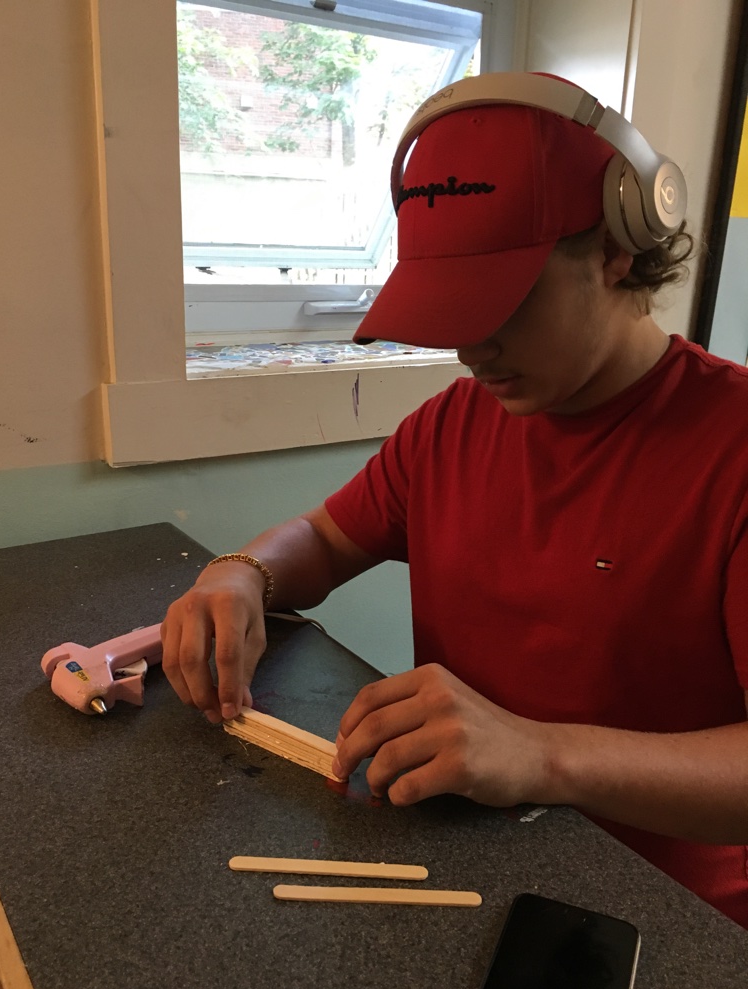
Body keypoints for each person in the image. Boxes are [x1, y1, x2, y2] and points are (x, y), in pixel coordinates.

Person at [161, 73, 748, 928]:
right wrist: (242, 573)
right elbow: (324, 539)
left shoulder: (731, 449)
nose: (472, 349)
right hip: (463, 866)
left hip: (664, 914)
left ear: (616, 250)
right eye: (451, 310)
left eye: (503, 303)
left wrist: (542, 755)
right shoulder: (452, 425)